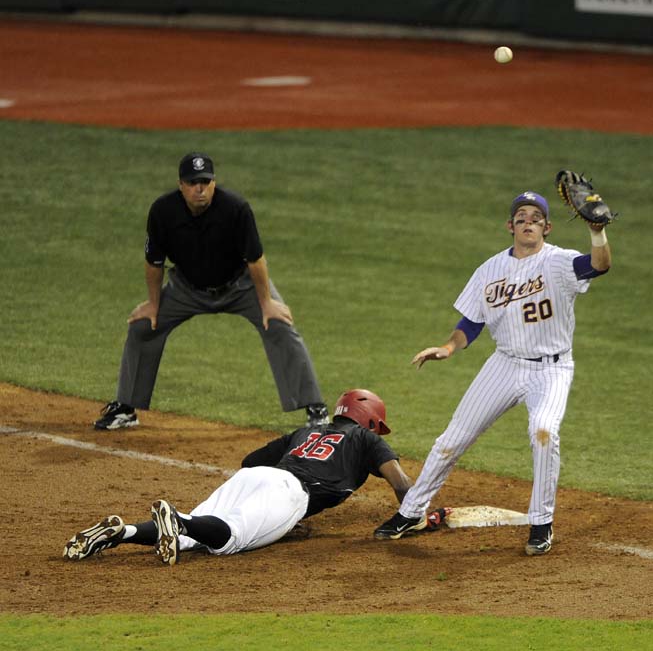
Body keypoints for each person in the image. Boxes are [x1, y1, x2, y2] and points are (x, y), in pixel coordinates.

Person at [374, 190, 612, 555]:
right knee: (450, 441)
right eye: (521, 217)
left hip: (552, 370)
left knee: (543, 432)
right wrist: (449, 347)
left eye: (535, 217)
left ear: (547, 227)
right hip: (504, 364)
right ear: (510, 227)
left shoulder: (559, 262)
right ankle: (411, 512)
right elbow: (471, 322)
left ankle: (541, 523)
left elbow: (599, 265)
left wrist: (597, 232)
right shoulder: (490, 270)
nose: (528, 221)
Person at [94, 152, 328, 431]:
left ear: (214, 183)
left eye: (205, 181)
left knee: (279, 323)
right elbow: (153, 262)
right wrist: (153, 304)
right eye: (193, 182)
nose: (200, 188)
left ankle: (315, 409)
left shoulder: (236, 209)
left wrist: (266, 302)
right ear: (181, 185)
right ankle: (126, 407)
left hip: (240, 286)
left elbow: (255, 260)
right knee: (143, 326)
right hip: (186, 290)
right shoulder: (162, 212)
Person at [66, 389, 413, 565]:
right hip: (291, 493)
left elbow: (250, 460)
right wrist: (416, 516)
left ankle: (121, 532)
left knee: (192, 532)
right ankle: (178, 521)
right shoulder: (367, 440)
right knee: (229, 539)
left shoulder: (305, 432)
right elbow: (401, 484)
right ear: (369, 422)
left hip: (257, 477)